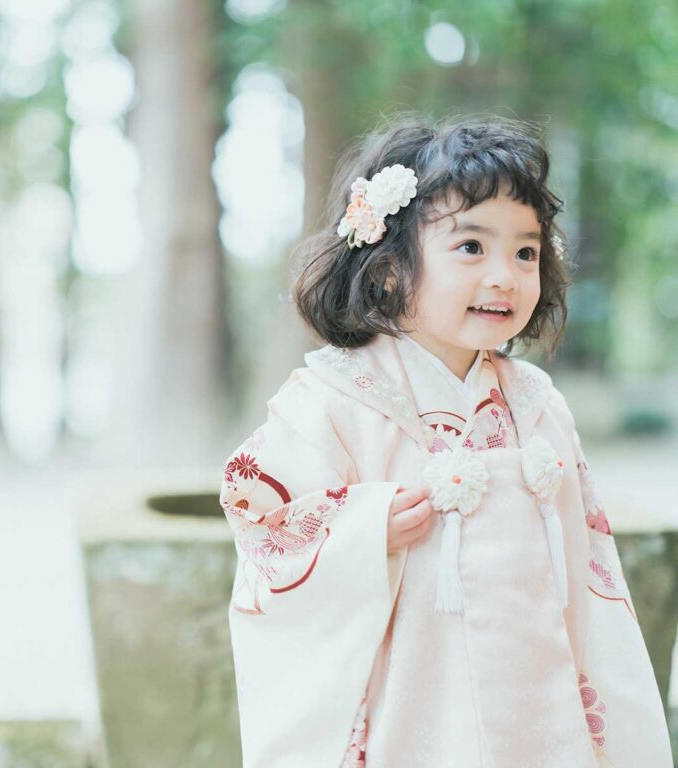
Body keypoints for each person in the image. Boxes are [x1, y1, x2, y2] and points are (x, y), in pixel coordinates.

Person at [218, 113, 673, 767]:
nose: (505, 276)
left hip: (534, 690)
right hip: (409, 702)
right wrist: (362, 528)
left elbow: (588, 559)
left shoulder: (537, 405)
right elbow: (258, 518)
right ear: (388, 270)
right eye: (471, 248)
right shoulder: (330, 401)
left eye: (525, 252)